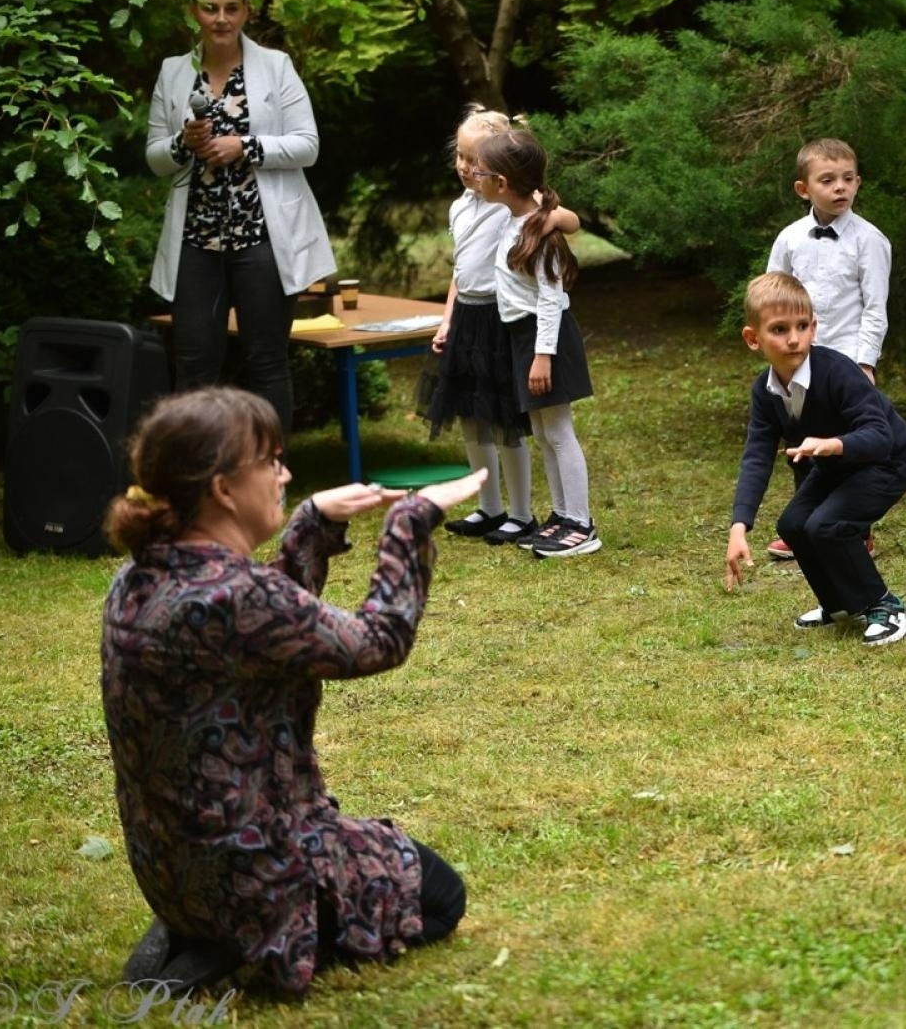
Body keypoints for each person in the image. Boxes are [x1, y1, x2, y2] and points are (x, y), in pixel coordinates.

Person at [101, 387, 484, 996]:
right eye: (269, 461)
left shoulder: (140, 576)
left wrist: (312, 522)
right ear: (224, 488)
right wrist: (411, 522)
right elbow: (377, 640)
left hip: (171, 867)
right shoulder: (235, 595)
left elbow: (261, 632)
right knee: (442, 896)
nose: (284, 473)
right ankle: (255, 942)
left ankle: (199, 928)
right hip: (257, 868)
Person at [145, 0, 336, 436]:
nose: (221, 19)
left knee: (267, 363)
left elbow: (307, 145)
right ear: (195, 11)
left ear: (246, 12)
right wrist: (182, 144)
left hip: (262, 238)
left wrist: (244, 147)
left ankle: (270, 482)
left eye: (231, 8)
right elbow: (153, 157)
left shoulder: (276, 66)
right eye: (210, 8)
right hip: (196, 241)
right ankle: (197, 487)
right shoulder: (174, 72)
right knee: (193, 366)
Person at [725, 273, 906, 646]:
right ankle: (840, 604)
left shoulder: (837, 371)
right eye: (779, 329)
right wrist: (738, 526)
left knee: (827, 525)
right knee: (794, 525)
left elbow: (880, 436)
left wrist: (833, 444)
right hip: (836, 467)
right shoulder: (765, 393)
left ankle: (887, 606)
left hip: (885, 462)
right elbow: (757, 456)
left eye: (802, 326)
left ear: (814, 327)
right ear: (753, 338)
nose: (794, 338)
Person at [427, 107, 581, 547]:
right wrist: (447, 319)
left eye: (474, 160)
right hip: (467, 318)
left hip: (501, 317)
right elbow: (462, 270)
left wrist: (552, 220)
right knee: (471, 416)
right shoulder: (461, 206)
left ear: (498, 169)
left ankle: (519, 513)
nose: (465, 167)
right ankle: (488, 506)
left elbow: (567, 219)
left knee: (504, 420)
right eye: (460, 156)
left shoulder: (506, 203)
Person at [470, 129, 599, 558]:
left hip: (546, 338)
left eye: (481, 172)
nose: (474, 175)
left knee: (559, 432)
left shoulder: (539, 232)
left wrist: (543, 356)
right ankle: (561, 515)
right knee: (544, 433)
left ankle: (581, 524)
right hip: (524, 338)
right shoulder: (521, 220)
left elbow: (550, 299)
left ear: (502, 184)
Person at [763, 137, 892, 560]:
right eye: (828, 180)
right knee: (801, 442)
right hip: (799, 358)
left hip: (846, 363)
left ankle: (856, 529)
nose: (841, 188)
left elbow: (875, 307)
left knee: (848, 447)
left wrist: (865, 363)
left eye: (848, 179)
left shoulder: (869, 240)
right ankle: (803, 523)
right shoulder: (790, 239)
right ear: (804, 189)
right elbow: (771, 295)